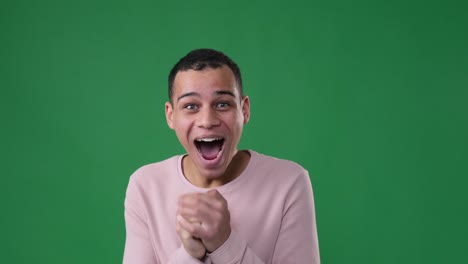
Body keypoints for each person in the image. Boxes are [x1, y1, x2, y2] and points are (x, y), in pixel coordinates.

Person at [123, 48, 320, 263]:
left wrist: (225, 244)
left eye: (223, 104)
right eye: (190, 106)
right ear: (171, 116)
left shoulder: (289, 182)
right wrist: (189, 254)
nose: (207, 120)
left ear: (244, 110)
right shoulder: (145, 186)